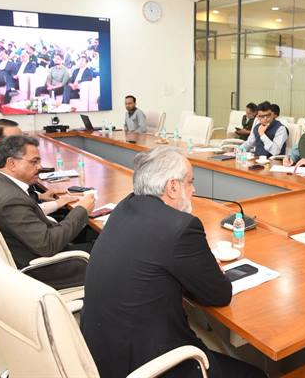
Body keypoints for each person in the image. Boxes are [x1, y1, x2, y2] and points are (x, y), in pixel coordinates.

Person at [81, 146, 266, 378]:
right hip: (143, 365)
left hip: (99, 353)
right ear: (172, 187)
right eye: (190, 182)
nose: (194, 189)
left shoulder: (124, 207)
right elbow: (219, 295)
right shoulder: (181, 227)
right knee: (256, 374)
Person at [0, 135, 95, 289]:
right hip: (42, 270)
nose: (40, 167)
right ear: (11, 163)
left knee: (95, 238)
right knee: (113, 250)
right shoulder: (10, 199)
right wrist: (82, 210)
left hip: (32, 250)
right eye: (34, 162)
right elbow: (48, 245)